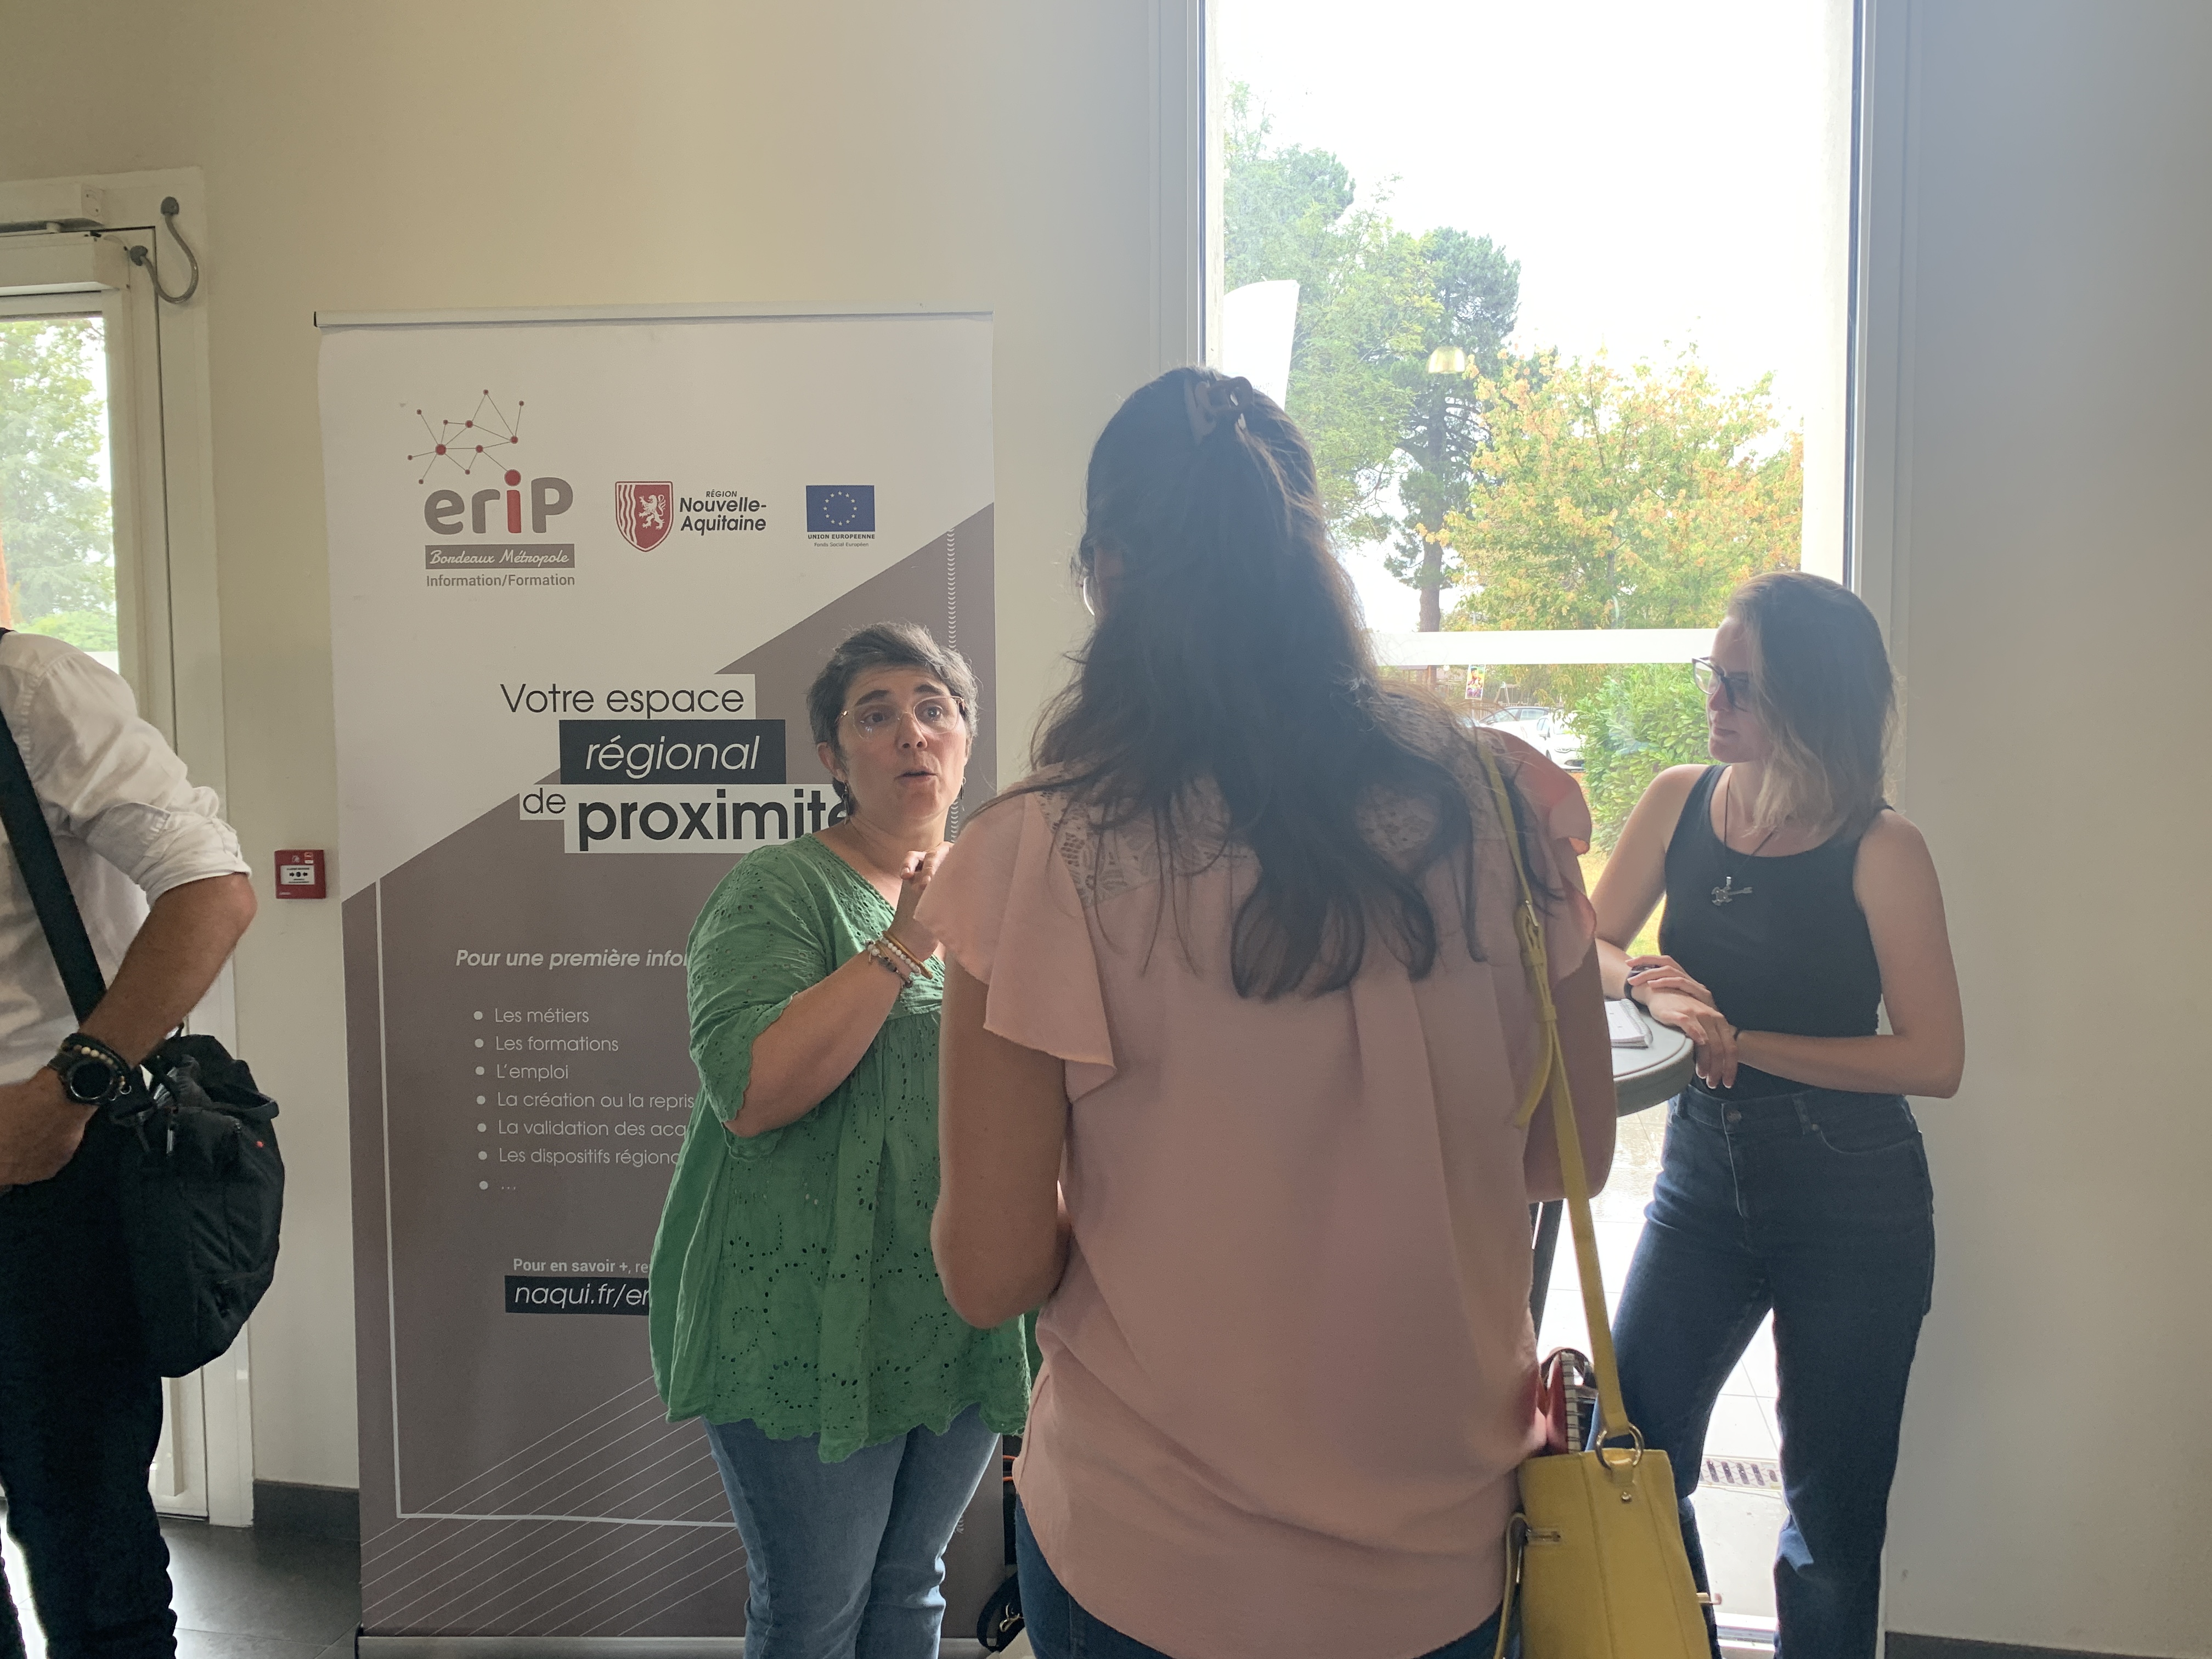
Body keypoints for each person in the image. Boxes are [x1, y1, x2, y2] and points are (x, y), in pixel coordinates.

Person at [919, 368, 1615, 1659]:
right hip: (1448, 1549)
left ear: (1108, 573)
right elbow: (1566, 1156)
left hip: (1149, 1546)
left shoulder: (1038, 853)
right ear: (1310, 561)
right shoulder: (1500, 805)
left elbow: (991, 1270)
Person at [1592, 571, 1965, 1659]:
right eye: (1712, 675)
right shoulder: (1679, 797)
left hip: (1853, 1195)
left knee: (1830, 1530)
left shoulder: (1883, 847)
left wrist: (1740, 1041)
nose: (1715, 700)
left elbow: (1934, 1059)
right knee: (1633, 1455)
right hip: (1702, 1176)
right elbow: (1586, 938)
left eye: (1743, 685)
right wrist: (1651, 986)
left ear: (1814, 696)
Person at [647, 622, 1031, 1659]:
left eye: (934, 708)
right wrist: (907, 940)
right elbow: (751, 1091)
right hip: (802, 1316)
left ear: (966, 739)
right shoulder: (778, 887)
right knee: (815, 1607)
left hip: (949, 1306)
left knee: (912, 1589)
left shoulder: (1001, 896)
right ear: (833, 756)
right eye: (876, 715)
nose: (912, 732)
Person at [0, 629, 257, 1659]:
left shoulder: (31, 690)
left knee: (82, 1532)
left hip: (42, 1173)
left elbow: (211, 890)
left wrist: (72, 1090)